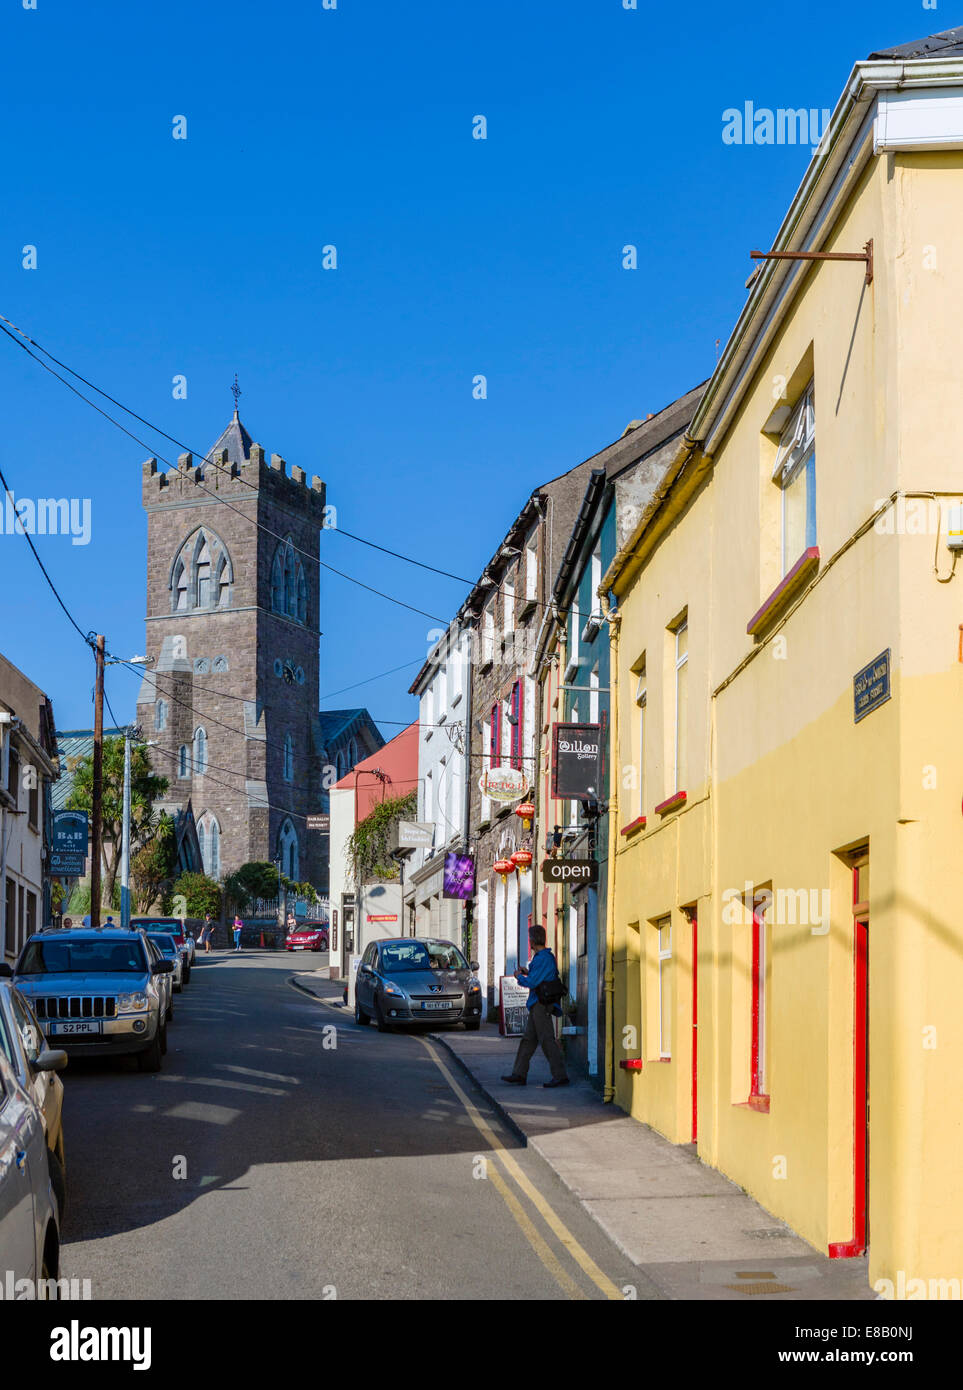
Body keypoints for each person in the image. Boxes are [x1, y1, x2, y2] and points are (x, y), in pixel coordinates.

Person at [502, 924, 569, 1088]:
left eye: (530, 938)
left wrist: (519, 976)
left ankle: (560, 1075)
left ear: (533, 940)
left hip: (540, 1004)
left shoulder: (542, 958)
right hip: (537, 1003)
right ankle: (519, 1073)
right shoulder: (545, 957)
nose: (529, 941)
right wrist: (527, 972)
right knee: (528, 1040)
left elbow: (532, 982)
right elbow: (538, 977)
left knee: (546, 1040)